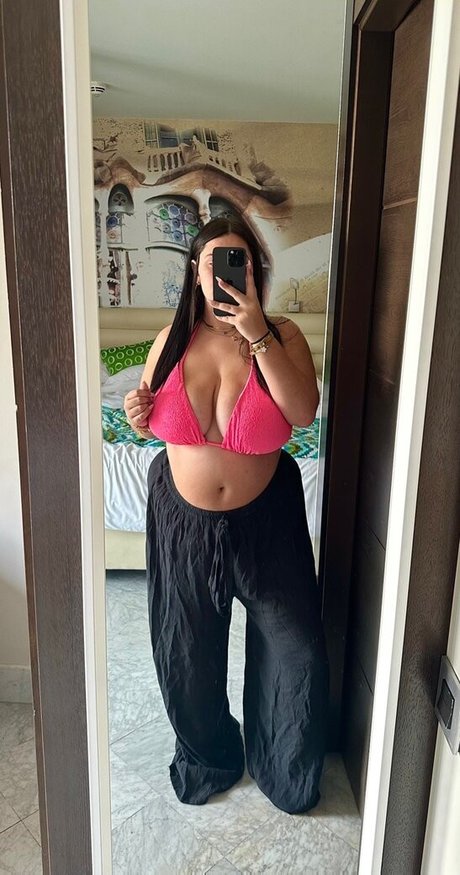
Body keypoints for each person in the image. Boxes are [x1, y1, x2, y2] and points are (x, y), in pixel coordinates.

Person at [123, 216, 329, 814]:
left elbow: (303, 411)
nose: (226, 274)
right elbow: (151, 421)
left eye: (240, 261)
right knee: (186, 653)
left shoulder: (283, 334)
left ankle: (284, 768)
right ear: (196, 271)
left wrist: (256, 331)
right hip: (183, 524)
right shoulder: (171, 339)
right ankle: (209, 757)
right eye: (215, 262)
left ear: (255, 270)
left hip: (267, 523)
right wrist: (138, 413)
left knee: (296, 652)